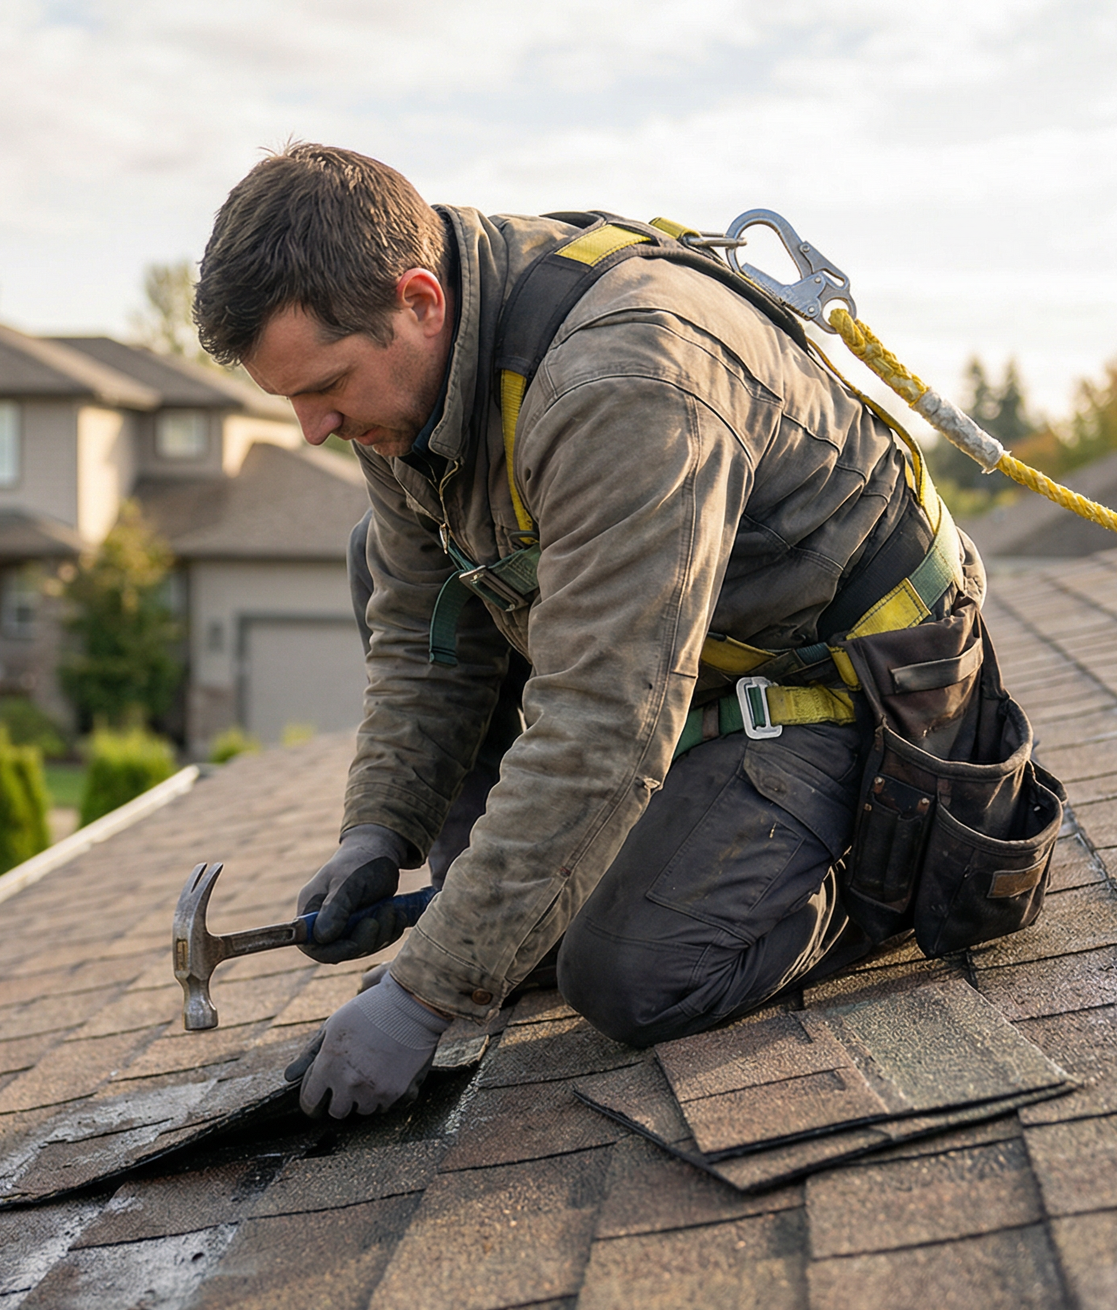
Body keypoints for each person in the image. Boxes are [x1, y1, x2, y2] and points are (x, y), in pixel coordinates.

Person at [192, 144, 988, 1119]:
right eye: (293, 402)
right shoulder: (406, 389)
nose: (313, 429)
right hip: (684, 668)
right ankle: (555, 894)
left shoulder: (619, 382)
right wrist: (380, 829)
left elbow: (603, 727)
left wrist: (422, 994)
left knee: (629, 975)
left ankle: (880, 861)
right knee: (377, 557)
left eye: (325, 388)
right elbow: (419, 630)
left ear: (419, 301)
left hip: (861, 686)